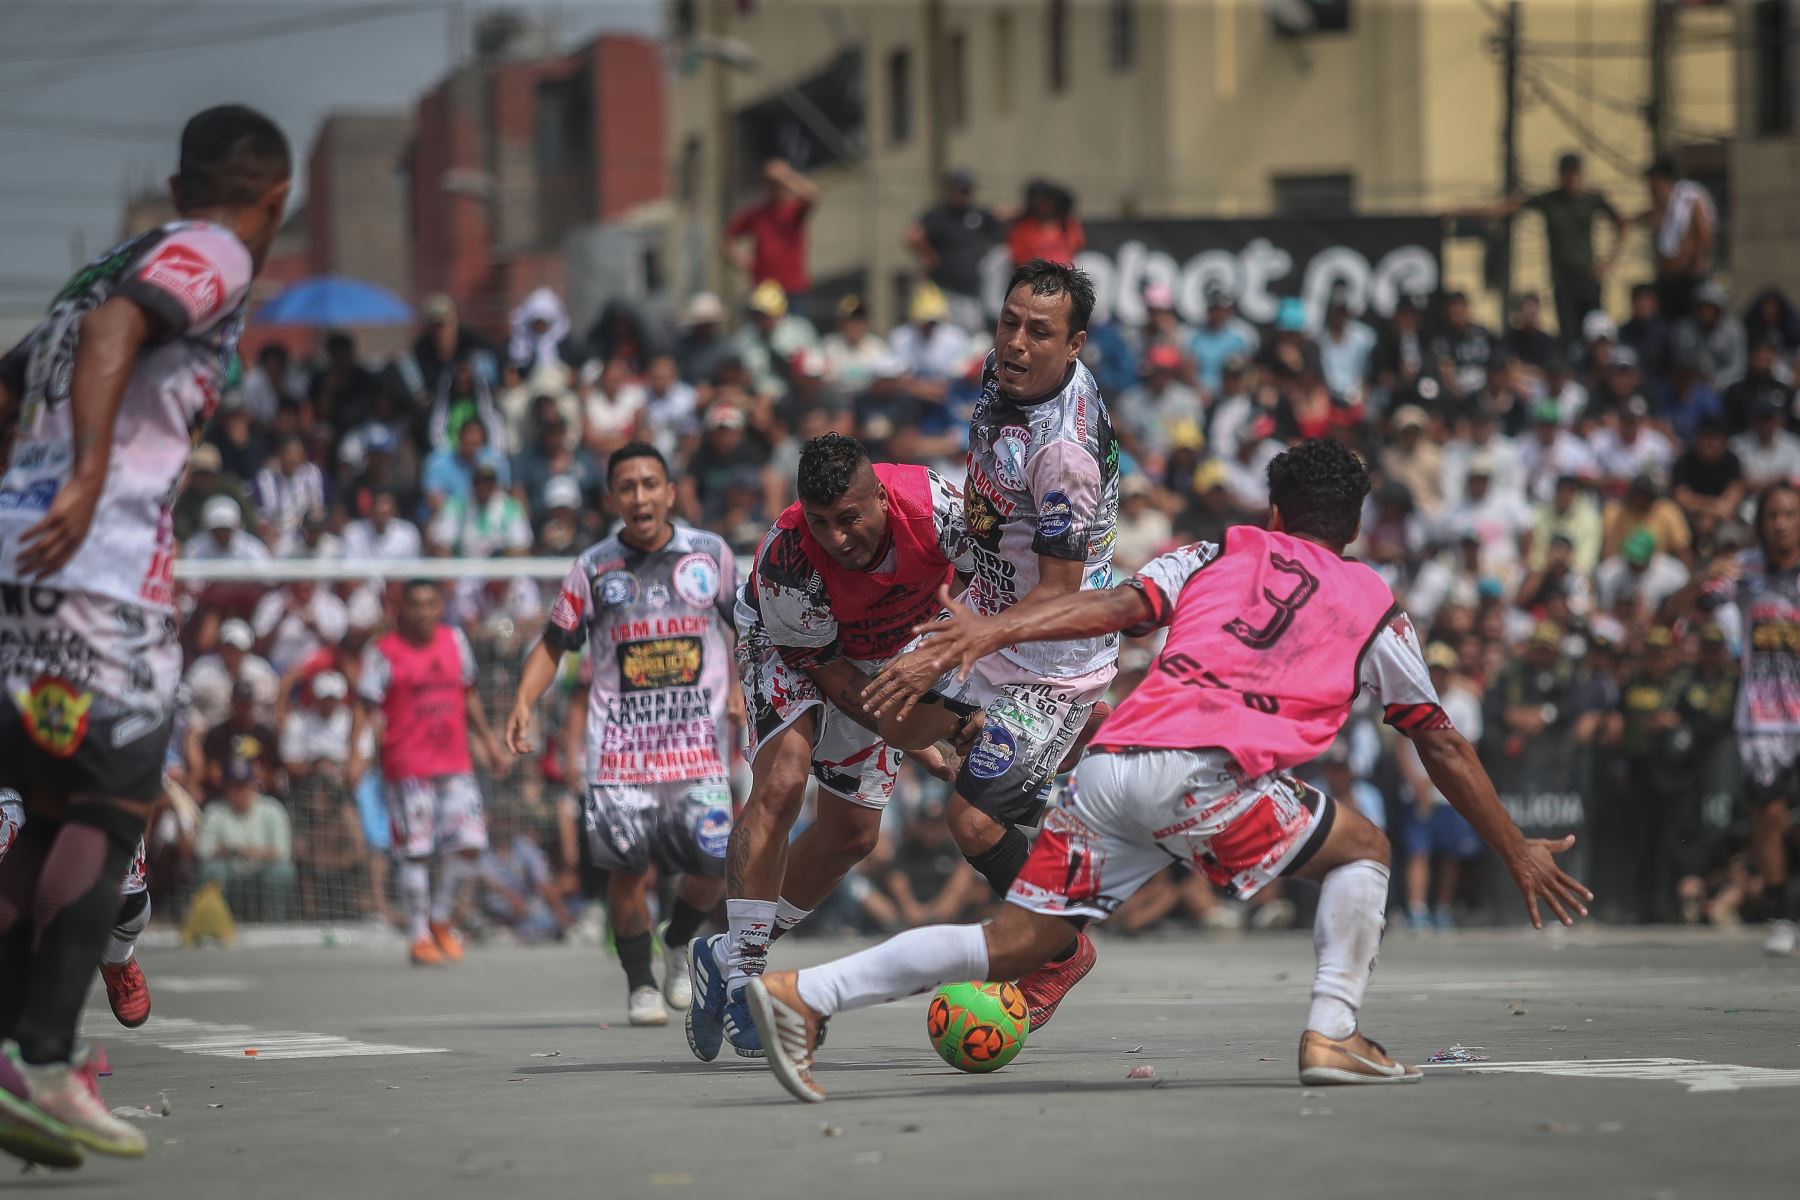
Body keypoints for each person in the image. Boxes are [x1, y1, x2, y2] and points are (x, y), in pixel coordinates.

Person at [744, 439, 1589, 1103]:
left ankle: (803, 992)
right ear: (1355, 528)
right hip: (1205, 777)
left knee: (1017, 942)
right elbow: (1435, 737)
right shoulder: (1375, 604)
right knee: (1363, 845)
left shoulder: (1215, 551)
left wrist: (991, 633)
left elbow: (1117, 608)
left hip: (1115, 768)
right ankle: (1333, 1034)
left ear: (1274, 509)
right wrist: (1515, 848)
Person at [0, 104, 290, 1165]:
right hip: (98, 564)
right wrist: (83, 479)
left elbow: (8, 383)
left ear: (173, 187)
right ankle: (38, 1060)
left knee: (41, 817)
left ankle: (19, 1061)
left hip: (25, 562)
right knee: (112, 806)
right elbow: (126, 328)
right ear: (275, 200)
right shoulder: (210, 249)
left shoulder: (99, 269)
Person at [861, 260, 1123, 1031]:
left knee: (972, 825)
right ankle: (1010, 748)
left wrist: (967, 639)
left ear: (1072, 345)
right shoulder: (1003, 371)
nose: (1014, 342)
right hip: (987, 604)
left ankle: (1064, 947)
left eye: (1038, 332)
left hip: (1056, 653)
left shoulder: (1064, 455)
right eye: (1008, 321)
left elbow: (1063, 593)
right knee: (898, 717)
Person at [683, 434, 971, 1060]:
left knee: (853, 837)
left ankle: (724, 950)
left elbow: (987, 594)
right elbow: (836, 680)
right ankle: (745, 981)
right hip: (796, 650)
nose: (838, 538)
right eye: (821, 523)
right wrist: (917, 731)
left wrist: (934, 704)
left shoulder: (941, 509)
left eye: (849, 519)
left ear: (882, 500)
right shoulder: (791, 560)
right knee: (784, 781)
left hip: (885, 649)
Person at [505, 443, 742, 1025]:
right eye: (627, 487)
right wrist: (522, 699)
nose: (640, 497)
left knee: (715, 866)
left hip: (699, 747)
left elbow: (751, 631)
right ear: (612, 499)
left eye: (650, 484)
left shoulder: (712, 555)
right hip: (621, 755)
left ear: (669, 491)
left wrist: (741, 684)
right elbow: (554, 646)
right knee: (627, 872)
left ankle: (678, 943)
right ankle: (640, 984)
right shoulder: (592, 568)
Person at [1669, 484, 1800, 954]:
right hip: (1764, 714)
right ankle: (1781, 913)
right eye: (1773, 515)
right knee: (1769, 814)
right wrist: (1702, 575)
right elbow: (1679, 609)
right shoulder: (1744, 571)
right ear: (1761, 523)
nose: (1782, 523)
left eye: (1790, 514)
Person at [350, 580, 507, 967]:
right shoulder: (382, 651)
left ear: (441, 607)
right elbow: (366, 705)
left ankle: (438, 918)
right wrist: (356, 753)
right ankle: (419, 935)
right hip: (408, 766)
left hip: (455, 761)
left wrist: (488, 741)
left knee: (471, 845)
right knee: (415, 852)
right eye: (415, 604)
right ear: (402, 609)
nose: (423, 612)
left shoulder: (454, 642)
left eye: (430, 603)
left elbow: (467, 694)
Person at [1454, 153, 1621, 346]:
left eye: (1574, 174)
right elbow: (1509, 207)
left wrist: (1608, 261)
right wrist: (1465, 212)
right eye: (1566, 174)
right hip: (1563, 281)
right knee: (1569, 338)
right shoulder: (1551, 200)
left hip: (1588, 278)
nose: (1570, 179)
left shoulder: (1592, 200)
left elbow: (1621, 222)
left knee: (1595, 333)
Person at [1397, 642, 1487, 931]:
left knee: (1452, 852)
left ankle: (1442, 908)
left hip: (1449, 792)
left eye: (1442, 670)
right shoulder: (1412, 699)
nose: (1438, 676)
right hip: (1419, 791)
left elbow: (1468, 748)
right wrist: (1416, 781)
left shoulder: (1464, 703)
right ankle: (1417, 909)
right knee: (1418, 851)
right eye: (1433, 670)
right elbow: (1400, 743)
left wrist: (1449, 781)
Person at [195, 756, 296, 922]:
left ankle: (274, 923)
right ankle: (218, 923)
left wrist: (254, 853)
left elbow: (283, 851)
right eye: (235, 786)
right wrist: (235, 851)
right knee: (213, 870)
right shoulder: (215, 811)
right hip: (231, 875)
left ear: (254, 785)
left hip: (263, 875)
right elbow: (202, 850)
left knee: (282, 871)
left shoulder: (272, 809)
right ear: (227, 788)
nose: (240, 792)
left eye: (244, 785)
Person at [909, 169, 1006, 331]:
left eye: (965, 190)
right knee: (946, 337)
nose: (961, 194)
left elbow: (1002, 217)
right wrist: (928, 255)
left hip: (971, 293)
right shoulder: (939, 215)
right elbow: (913, 236)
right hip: (943, 291)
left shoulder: (977, 215)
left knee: (972, 338)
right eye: (958, 189)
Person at [726, 159, 818, 303]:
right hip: (764, 287)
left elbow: (812, 195)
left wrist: (787, 177)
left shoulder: (794, 209)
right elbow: (729, 237)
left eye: (777, 183)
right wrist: (741, 262)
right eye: (770, 183)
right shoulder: (756, 214)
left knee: (797, 325)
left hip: (793, 288)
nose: (774, 187)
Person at [1641, 155, 1717, 321]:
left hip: (1691, 280)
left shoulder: (1690, 198)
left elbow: (1705, 236)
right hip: (1669, 284)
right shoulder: (1659, 207)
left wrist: (1692, 263)